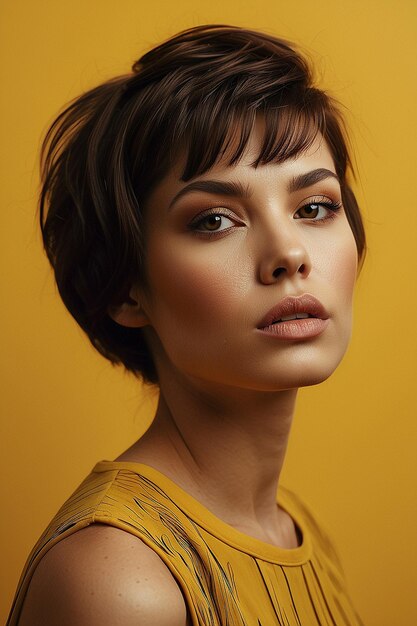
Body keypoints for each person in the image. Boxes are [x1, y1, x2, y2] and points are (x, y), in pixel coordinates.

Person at [7, 24, 366, 626]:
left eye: (314, 208)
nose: (290, 253)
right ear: (126, 287)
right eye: (215, 221)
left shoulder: (300, 536)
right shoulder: (124, 581)